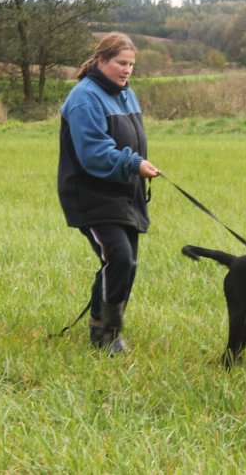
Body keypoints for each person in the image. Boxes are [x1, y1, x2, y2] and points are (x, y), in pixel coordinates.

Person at [57, 32, 159, 356]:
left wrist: (138, 168)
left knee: (124, 264)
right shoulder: (84, 98)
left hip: (126, 192)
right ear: (101, 61)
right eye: (121, 63)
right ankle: (106, 334)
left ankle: (101, 326)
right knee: (119, 258)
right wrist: (134, 163)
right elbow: (93, 153)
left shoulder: (128, 95)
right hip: (91, 193)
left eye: (131, 64)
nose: (127, 70)